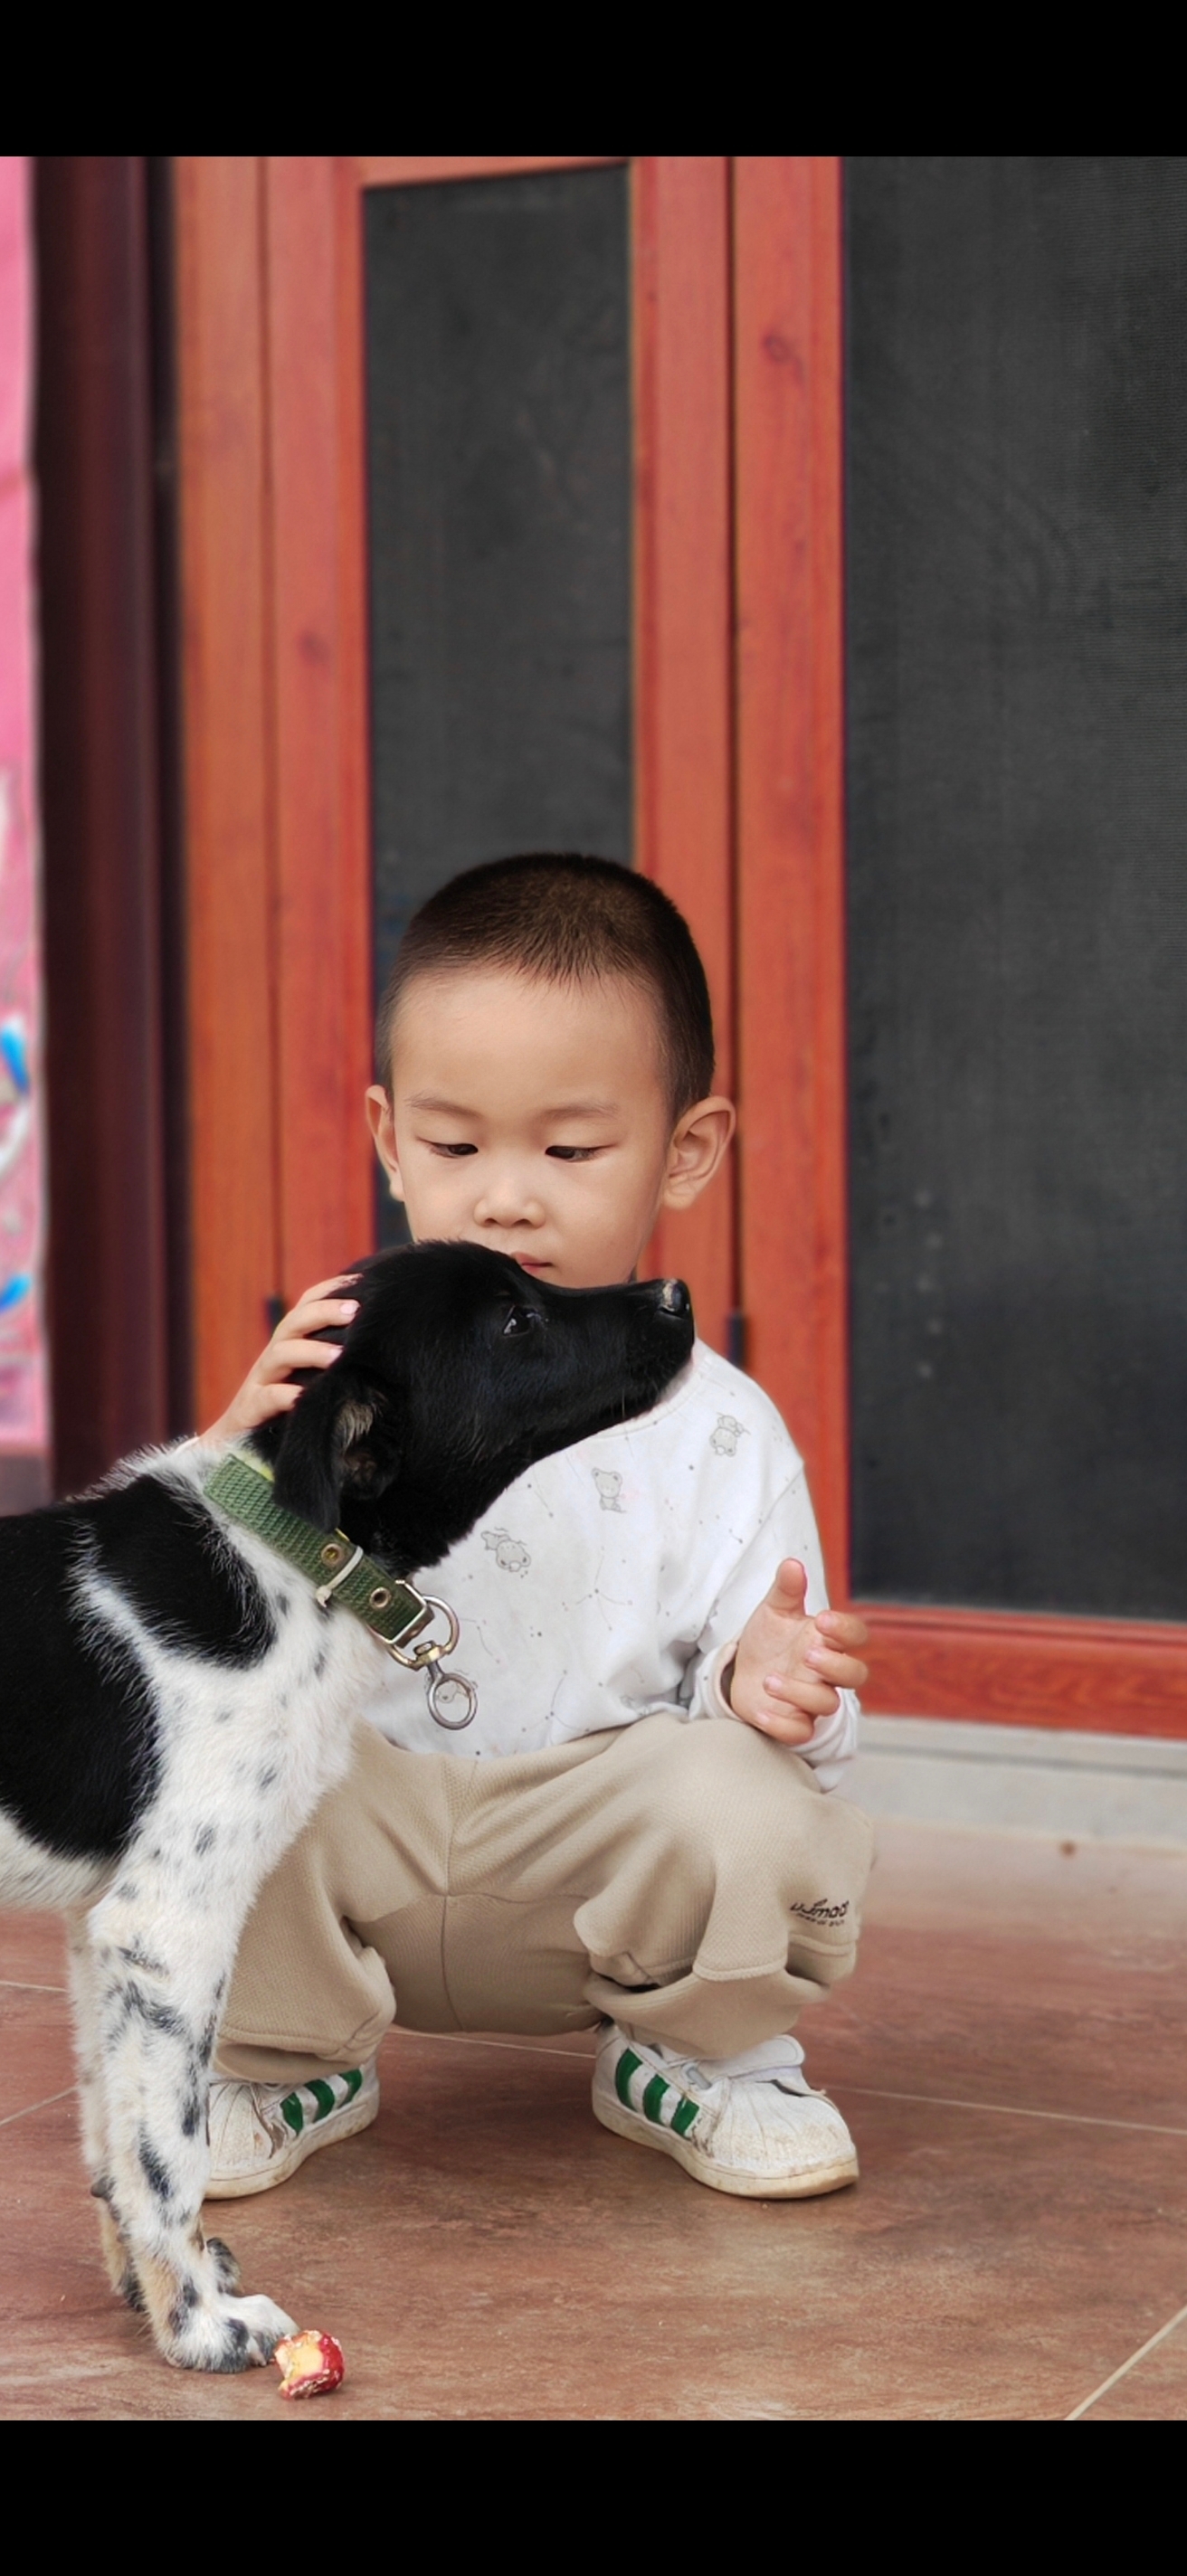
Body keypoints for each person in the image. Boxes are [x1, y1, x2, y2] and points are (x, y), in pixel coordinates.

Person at [202, 854, 873, 2203]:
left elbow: (784, 1679)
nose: (506, 1196)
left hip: (588, 1857)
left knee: (748, 1796)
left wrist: (774, 1683)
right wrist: (231, 1457)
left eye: (569, 1151)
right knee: (217, 1754)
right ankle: (279, 2054)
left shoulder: (723, 1428)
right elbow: (205, 1629)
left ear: (687, 1150)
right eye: (455, 1147)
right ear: (391, 1138)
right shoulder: (347, 1362)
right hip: (364, 1821)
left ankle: (696, 2060)